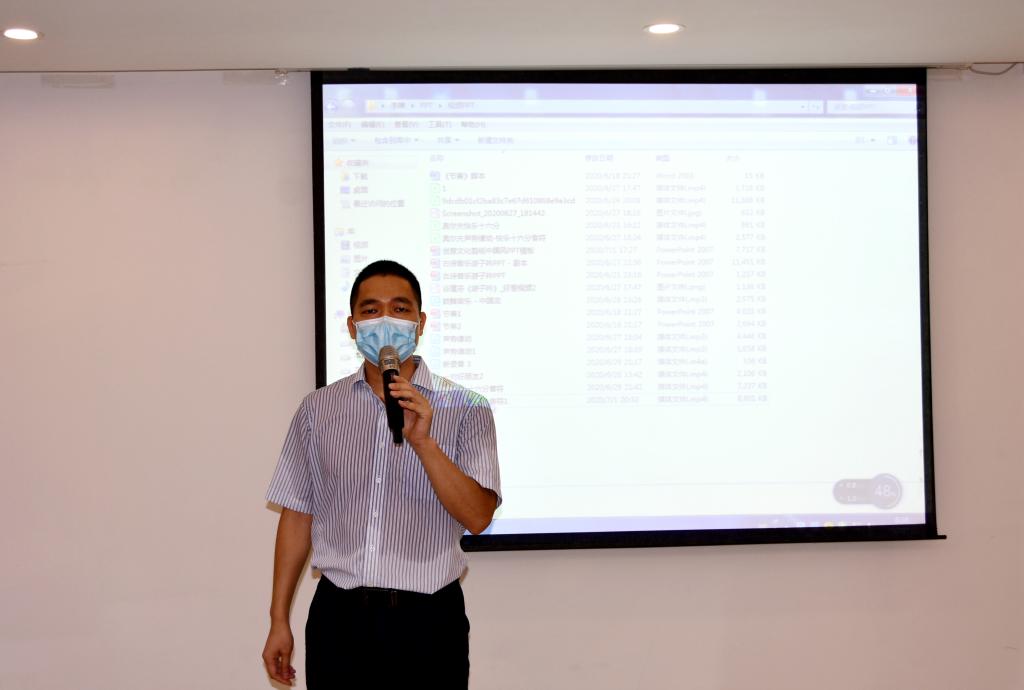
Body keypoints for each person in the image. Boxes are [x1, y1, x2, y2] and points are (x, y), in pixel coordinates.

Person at [261, 259, 501, 689]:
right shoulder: (318, 409)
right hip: (339, 619)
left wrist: (424, 442)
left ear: (420, 323)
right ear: (352, 326)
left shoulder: (467, 408)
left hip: (429, 621)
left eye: (400, 308)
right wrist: (279, 618)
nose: (386, 320)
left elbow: (478, 516)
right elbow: (297, 515)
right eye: (371, 310)